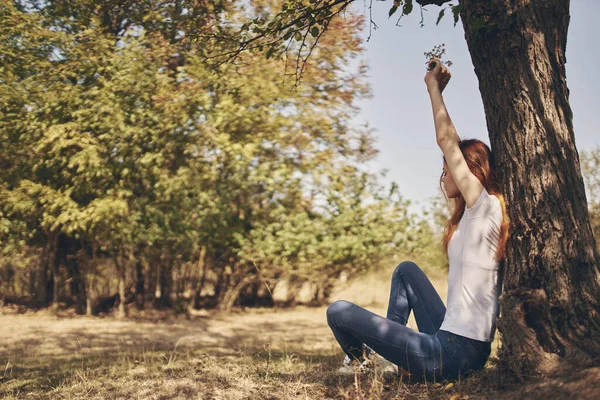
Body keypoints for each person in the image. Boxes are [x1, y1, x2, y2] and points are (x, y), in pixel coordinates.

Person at [326, 58, 510, 381]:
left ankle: (363, 362)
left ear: (470, 169)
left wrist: (433, 87)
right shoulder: (470, 216)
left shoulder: (486, 207)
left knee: (338, 311)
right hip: (452, 339)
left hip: (454, 352)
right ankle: (379, 359)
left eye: (448, 168)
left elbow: (447, 140)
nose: (444, 174)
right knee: (407, 271)